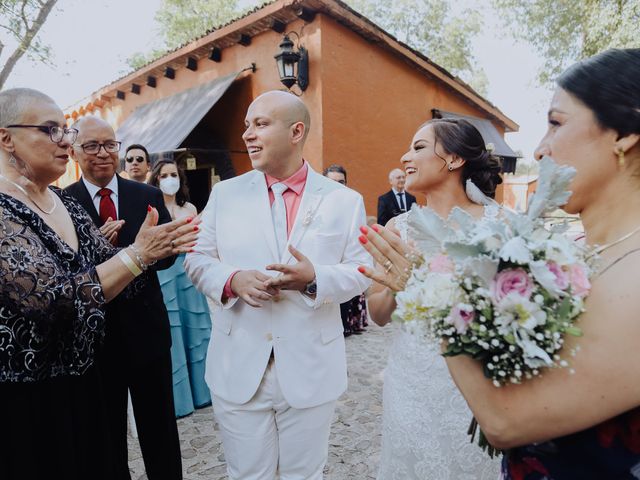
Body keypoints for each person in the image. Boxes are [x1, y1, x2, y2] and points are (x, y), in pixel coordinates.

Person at [362, 48, 640, 479]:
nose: (540, 149)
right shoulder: (587, 251)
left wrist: (422, 286)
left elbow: (506, 420)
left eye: (556, 122)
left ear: (624, 131)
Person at [0, 88, 197, 480]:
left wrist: (146, 251)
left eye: (66, 131)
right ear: (6, 138)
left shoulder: (64, 205)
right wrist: (137, 254)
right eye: (51, 130)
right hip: (29, 397)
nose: (64, 141)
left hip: (83, 383)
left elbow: (110, 266)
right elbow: (52, 298)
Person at [184, 90, 371, 480]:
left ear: (296, 131)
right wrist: (232, 279)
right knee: (246, 474)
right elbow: (197, 259)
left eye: (260, 124)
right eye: (247, 126)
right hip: (238, 363)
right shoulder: (224, 194)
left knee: (304, 476)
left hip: (310, 367)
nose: (248, 135)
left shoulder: (343, 201)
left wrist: (314, 279)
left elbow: (360, 271)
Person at [360, 118, 503, 479]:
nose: (406, 156)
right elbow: (377, 315)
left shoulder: (502, 225)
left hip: (479, 381)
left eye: (419, 147)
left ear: (454, 159)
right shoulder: (398, 229)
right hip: (411, 382)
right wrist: (396, 284)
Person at [66, 117, 183, 480]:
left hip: (145, 330)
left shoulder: (145, 195)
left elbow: (168, 257)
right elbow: (65, 273)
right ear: (74, 152)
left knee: (160, 429)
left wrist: (145, 250)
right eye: (91, 146)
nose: (102, 154)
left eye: (109, 145)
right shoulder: (63, 203)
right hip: (95, 339)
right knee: (106, 433)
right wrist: (98, 249)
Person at [149, 159, 213, 417]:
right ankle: (180, 400)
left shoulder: (189, 208)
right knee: (173, 333)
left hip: (189, 273)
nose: (169, 179)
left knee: (196, 330)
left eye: (173, 174)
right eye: (164, 175)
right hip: (165, 274)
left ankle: (204, 393)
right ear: (156, 179)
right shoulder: (151, 210)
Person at [323, 163, 369, 336]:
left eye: (341, 182)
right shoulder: (318, 204)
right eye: (332, 181)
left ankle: (345, 328)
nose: (337, 185)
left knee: (345, 302)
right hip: (325, 267)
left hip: (347, 263)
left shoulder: (353, 203)